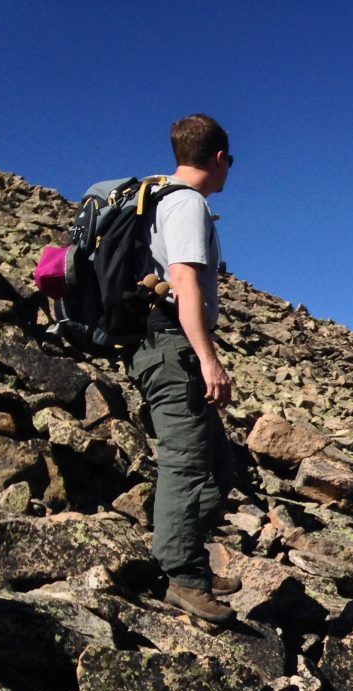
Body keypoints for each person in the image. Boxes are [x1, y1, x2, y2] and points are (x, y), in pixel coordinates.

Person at [131, 114, 239, 624]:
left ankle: (185, 556)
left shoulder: (154, 199)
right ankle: (182, 578)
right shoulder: (186, 203)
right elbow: (184, 283)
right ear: (218, 158)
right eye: (230, 162)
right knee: (188, 462)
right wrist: (208, 358)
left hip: (166, 346)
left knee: (220, 463)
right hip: (173, 347)